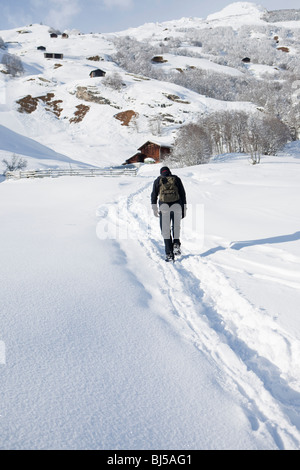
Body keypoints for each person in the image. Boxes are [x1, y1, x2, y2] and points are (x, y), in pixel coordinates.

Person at [151, 166, 187, 261]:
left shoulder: (158, 180)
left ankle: (169, 254)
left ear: (161, 173)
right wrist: (184, 209)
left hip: (164, 207)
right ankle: (176, 243)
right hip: (177, 206)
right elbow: (183, 194)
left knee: (165, 230)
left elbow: (154, 195)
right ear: (169, 172)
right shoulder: (176, 179)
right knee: (176, 227)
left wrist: (154, 208)